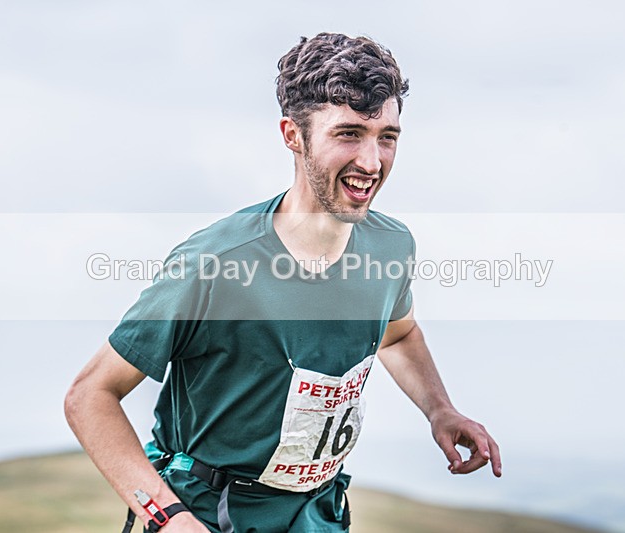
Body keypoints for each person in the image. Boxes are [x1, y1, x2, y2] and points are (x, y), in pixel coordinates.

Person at [65, 32, 501, 533]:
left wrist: (439, 409)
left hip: (317, 515)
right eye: (348, 134)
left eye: (387, 137)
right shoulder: (214, 262)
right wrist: (168, 518)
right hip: (206, 515)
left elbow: (397, 334)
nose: (372, 162)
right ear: (293, 135)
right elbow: (90, 396)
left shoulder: (392, 245)